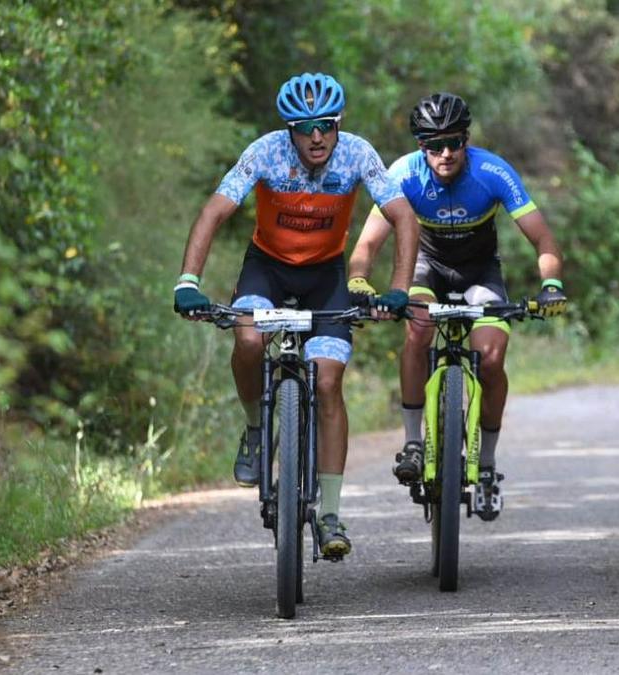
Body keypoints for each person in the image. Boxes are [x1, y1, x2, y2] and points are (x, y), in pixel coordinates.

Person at [173, 73, 420, 558]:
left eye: (325, 125)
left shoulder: (357, 154)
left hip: (325, 278)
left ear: (338, 124)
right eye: (304, 127)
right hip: (267, 269)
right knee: (246, 340)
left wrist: (398, 289)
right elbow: (213, 213)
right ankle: (254, 429)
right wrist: (188, 282)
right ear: (289, 129)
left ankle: (329, 513)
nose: (316, 137)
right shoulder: (265, 152)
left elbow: (404, 217)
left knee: (328, 382)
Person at [348, 92, 566, 521]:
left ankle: (485, 465)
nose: (445, 153)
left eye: (453, 142)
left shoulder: (492, 172)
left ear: (466, 140)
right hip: (425, 268)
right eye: (433, 144)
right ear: (420, 147)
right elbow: (368, 242)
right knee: (418, 327)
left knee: (491, 359)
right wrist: (358, 280)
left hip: (479, 275)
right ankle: (413, 442)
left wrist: (551, 284)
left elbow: (542, 238)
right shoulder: (403, 175)